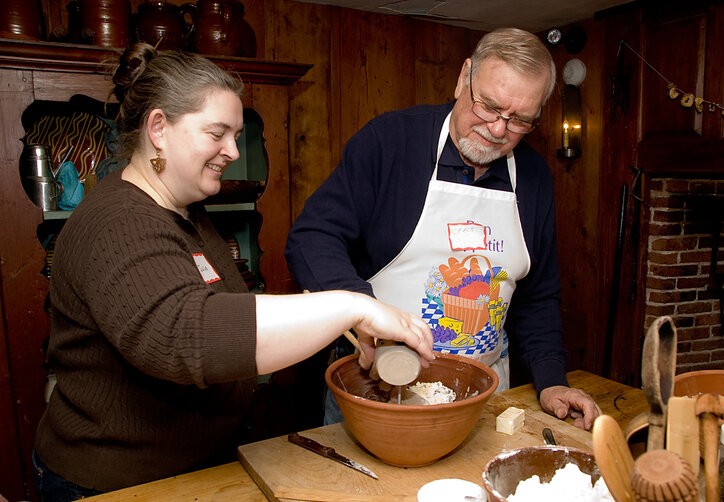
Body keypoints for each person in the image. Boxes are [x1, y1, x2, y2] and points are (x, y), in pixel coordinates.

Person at [32, 43, 434, 501]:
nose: (231, 150)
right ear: (158, 128)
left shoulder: (187, 213)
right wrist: (350, 305)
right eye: (216, 133)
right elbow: (187, 336)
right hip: (114, 484)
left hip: (196, 468)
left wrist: (332, 319)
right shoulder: (119, 222)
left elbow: (227, 310)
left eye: (236, 135)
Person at [285, 27, 601, 430]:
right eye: (488, 106)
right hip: (376, 389)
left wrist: (552, 381)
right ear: (463, 77)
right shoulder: (391, 143)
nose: (499, 129)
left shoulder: (535, 177)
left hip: (484, 398)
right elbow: (312, 238)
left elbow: (537, 296)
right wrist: (362, 309)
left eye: (520, 120)